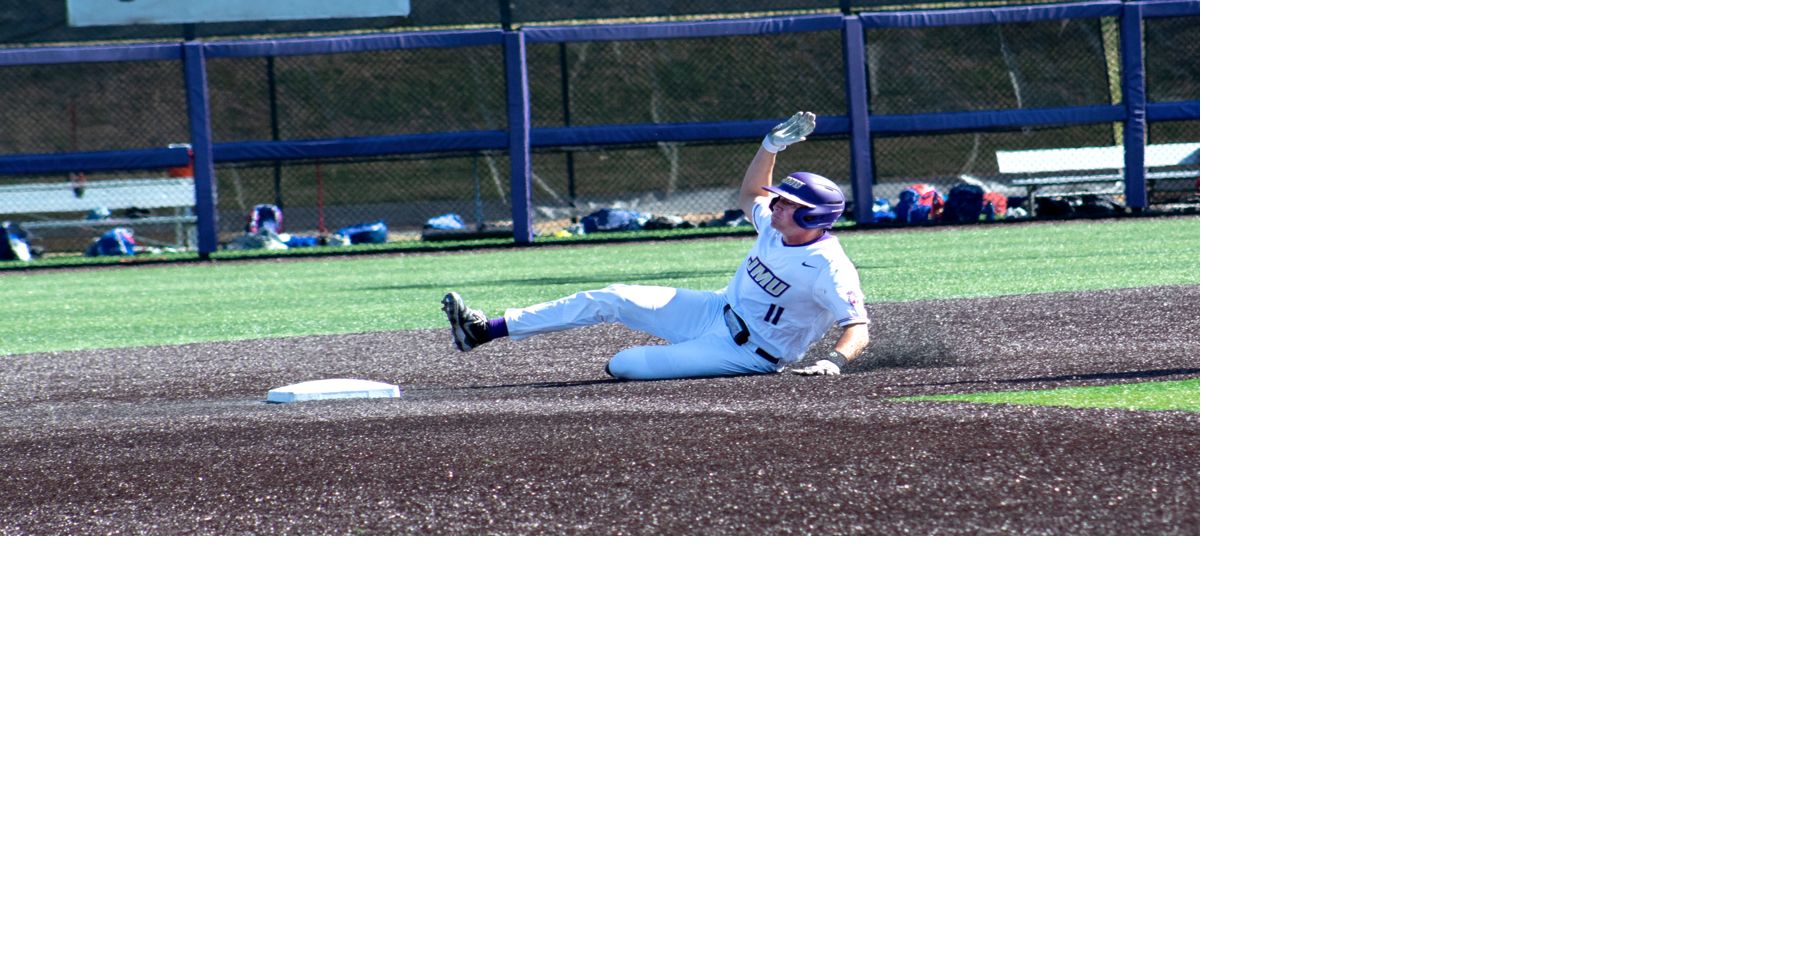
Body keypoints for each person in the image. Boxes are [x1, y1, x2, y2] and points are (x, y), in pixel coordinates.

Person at [440, 111, 869, 379]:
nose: (776, 204)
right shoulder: (776, 228)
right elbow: (750, 194)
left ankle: (693, 358)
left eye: (789, 203)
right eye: (781, 198)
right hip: (715, 308)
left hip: (750, 351)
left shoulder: (829, 264)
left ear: (813, 218)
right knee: (611, 296)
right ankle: (484, 331)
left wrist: (833, 361)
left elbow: (857, 327)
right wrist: (770, 146)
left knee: (623, 364)